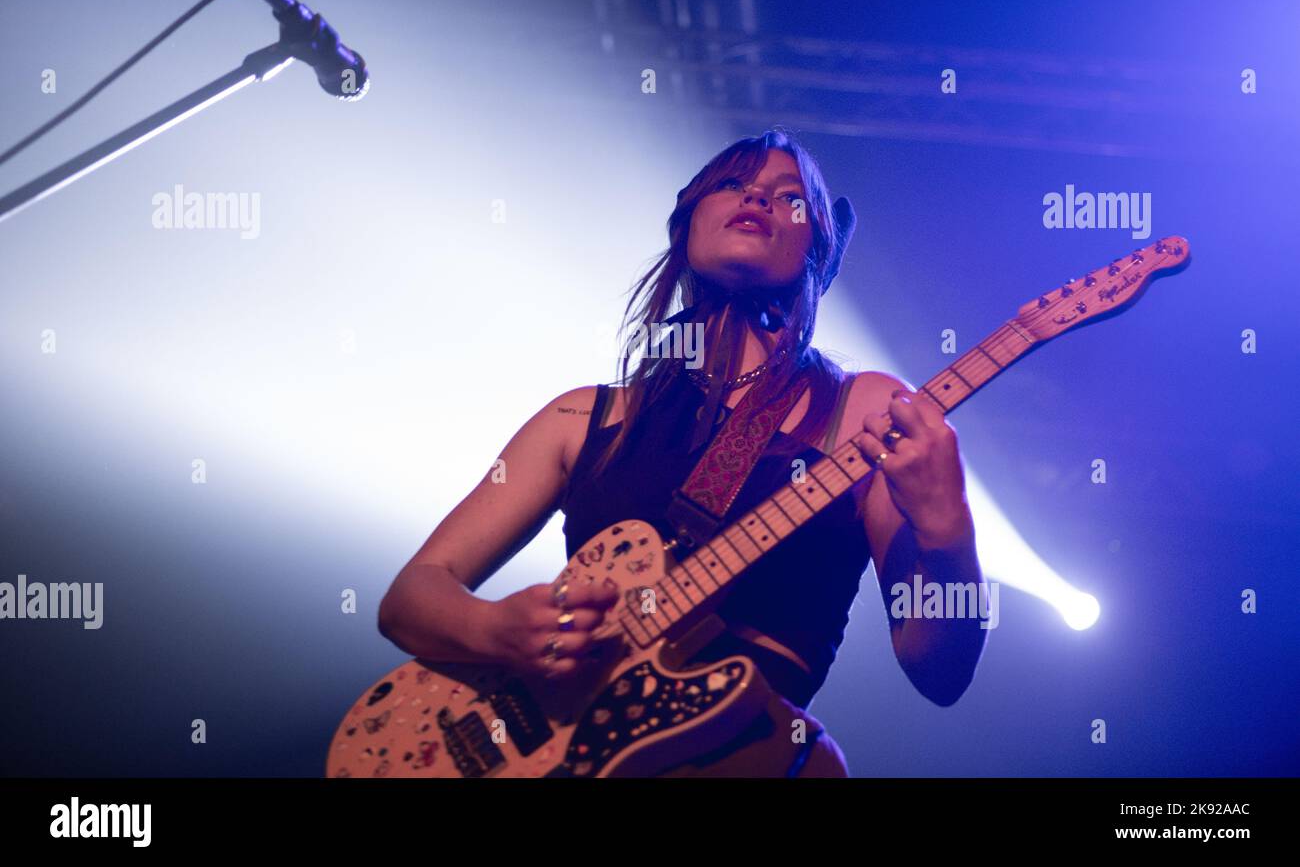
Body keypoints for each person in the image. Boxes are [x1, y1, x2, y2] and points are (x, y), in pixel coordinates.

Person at [377, 129, 985, 777]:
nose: (757, 195)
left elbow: (938, 669)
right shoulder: (584, 417)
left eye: (790, 197)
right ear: (686, 227)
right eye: (732, 183)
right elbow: (412, 597)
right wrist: (496, 630)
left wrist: (948, 530)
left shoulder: (862, 412)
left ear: (818, 252)